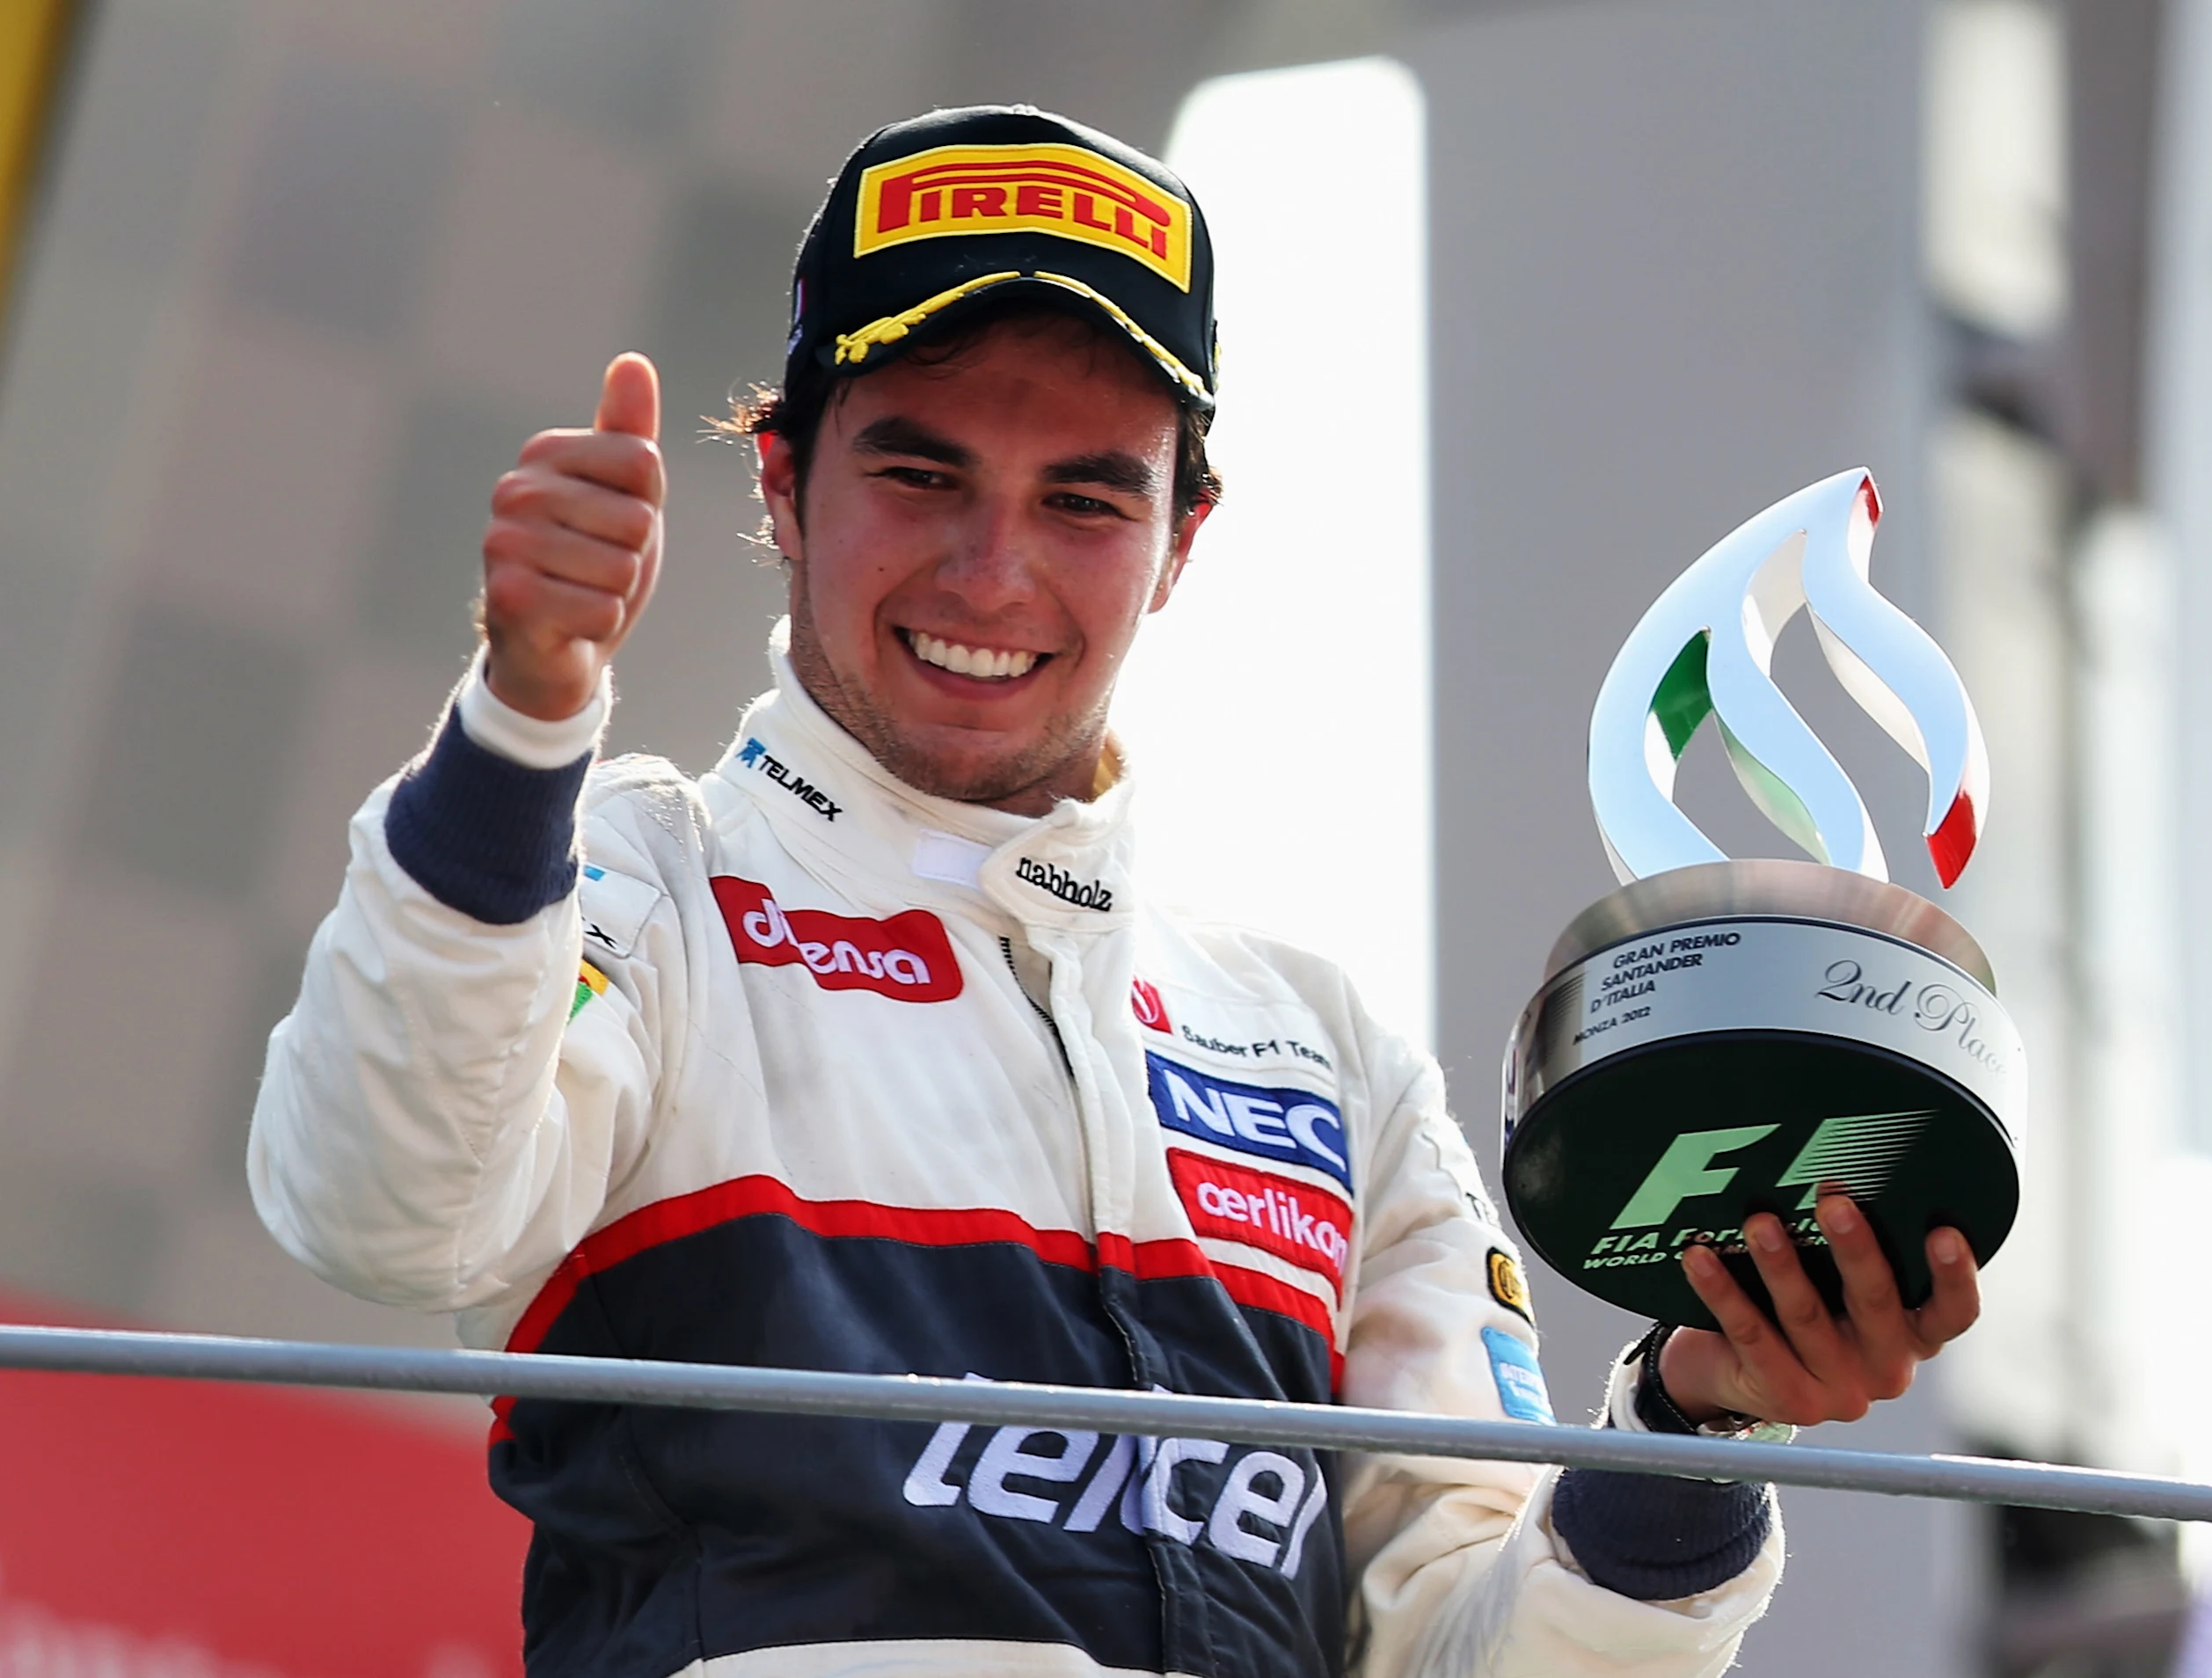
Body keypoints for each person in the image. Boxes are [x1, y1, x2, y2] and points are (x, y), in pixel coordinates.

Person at [248, 105, 1981, 1678]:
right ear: (780, 481)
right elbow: (382, 1204)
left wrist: (1682, 1441)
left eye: (1083, 499)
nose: (992, 570)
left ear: (1183, 540)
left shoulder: (1324, 1054)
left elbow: (1472, 1649)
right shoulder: (638, 883)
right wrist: (525, 719)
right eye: (920, 472)